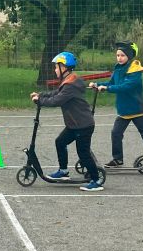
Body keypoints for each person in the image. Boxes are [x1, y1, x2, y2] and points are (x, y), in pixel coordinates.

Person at [30, 51, 103, 191]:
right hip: (74, 125)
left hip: (83, 125)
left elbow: (57, 100)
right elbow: (56, 93)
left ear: (64, 67)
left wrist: (40, 101)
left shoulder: (71, 85)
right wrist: (41, 95)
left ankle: (96, 180)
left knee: (83, 153)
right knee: (60, 142)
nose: (55, 70)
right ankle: (63, 171)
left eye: (56, 67)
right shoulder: (68, 81)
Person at [89, 41, 143, 174]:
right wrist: (98, 84)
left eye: (122, 55)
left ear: (129, 56)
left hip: (137, 109)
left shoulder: (134, 70)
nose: (119, 58)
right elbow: (111, 83)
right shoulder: (118, 68)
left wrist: (107, 88)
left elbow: (126, 86)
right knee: (116, 133)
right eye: (118, 55)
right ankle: (118, 159)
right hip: (124, 110)